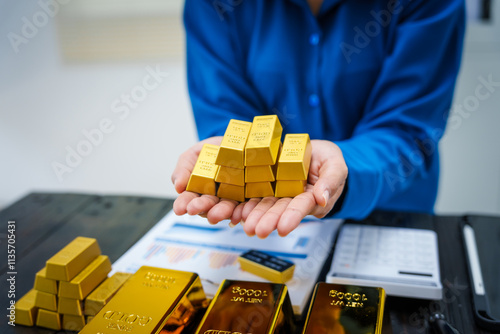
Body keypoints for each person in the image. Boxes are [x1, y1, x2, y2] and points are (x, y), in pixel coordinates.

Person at [171, 0, 465, 239]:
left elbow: (407, 127)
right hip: (260, 221)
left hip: (391, 217)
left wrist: (345, 166)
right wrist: (236, 164)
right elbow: (226, 116)